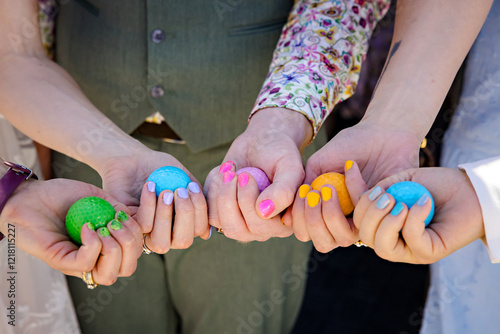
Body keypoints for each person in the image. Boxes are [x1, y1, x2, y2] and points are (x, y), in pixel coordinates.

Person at [0, 1, 394, 333]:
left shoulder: (264, 162)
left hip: (254, 168)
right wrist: (105, 152)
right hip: (83, 148)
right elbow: (13, 52)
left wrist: (281, 117)